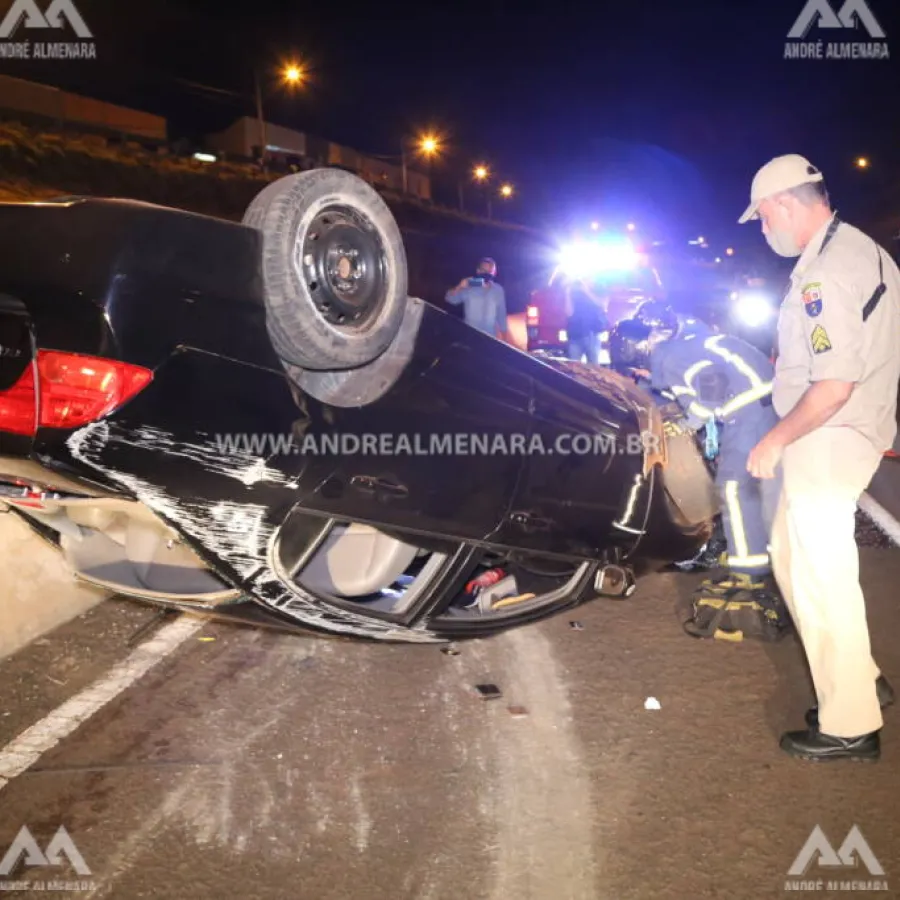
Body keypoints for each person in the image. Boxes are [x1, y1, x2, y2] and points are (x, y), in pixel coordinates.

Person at [741, 153, 900, 762]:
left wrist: (775, 437)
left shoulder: (824, 274)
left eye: (761, 218)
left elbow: (833, 384)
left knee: (820, 576)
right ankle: (861, 680)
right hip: (846, 432)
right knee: (793, 556)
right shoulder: (862, 250)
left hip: (827, 436)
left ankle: (850, 724)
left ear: (783, 204)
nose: (764, 230)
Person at [609, 302, 787, 636]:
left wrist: (691, 421)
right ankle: (752, 548)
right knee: (752, 484)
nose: (642, 375)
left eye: (638, 369)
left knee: (735, 488)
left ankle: (750, 572)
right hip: (764, 403)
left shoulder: (669, 357)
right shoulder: (690, 338)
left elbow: (710, 382)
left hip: (749, 412)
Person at [444, 257, 510, 342]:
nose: (487, 273)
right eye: (483, 270)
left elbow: (501, 316)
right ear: (478, 271)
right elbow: (450, 299)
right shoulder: (469, 286)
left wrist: (505, 341)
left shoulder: (498, 290)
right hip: (469, 337)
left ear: (494, 273)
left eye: (490, 271)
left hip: (490, 338)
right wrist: (459, 287)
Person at [564, 277, 607, 364]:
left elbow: (602, 305)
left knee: (594, 368)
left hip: (593, 335)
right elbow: (569, 313)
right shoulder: (575, 293)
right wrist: (567, 294)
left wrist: (586, 291)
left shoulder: (600, 289)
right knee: (573, 367)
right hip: (575, 335)